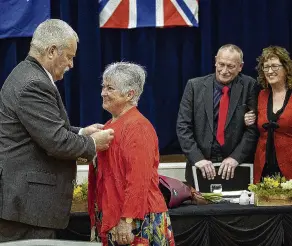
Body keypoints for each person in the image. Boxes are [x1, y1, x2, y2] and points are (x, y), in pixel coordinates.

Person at [0, 19, 114, 242]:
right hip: (27, 209)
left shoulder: (26, 74)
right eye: (69, 56)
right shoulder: (34, 83)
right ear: (52, 51)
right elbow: (55, 141)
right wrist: (93, 144)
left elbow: (44, 128)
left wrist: (81, 133)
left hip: (26, 206)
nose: (71, 64)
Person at [88, 62, 175, 246]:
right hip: (115, 214)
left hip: (137, 219)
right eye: (103, 86)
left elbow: (138, 179)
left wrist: (126, 221)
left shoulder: (138, 127)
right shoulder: (109, 125)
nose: (103, 92)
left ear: (130, 94)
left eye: (110, 88)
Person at [177, 44, 258, 187]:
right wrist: (198, 159)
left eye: (231, 66)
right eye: (221, 64)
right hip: (200, 165)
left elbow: (253, 129)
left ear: (240, 66)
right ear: (215, 61)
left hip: (236, 166)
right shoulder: (194, 86)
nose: (224, 71)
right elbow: (183, 127)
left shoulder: (250, 85)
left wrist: (236, 158)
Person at [244, 46, 292, 183]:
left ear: (286, 68)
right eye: (266, 67)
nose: (270, 71)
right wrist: (248, 120)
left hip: (289, 168)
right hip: (263, 167)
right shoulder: (261, 95)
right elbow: (255, 123)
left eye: (275, 66)